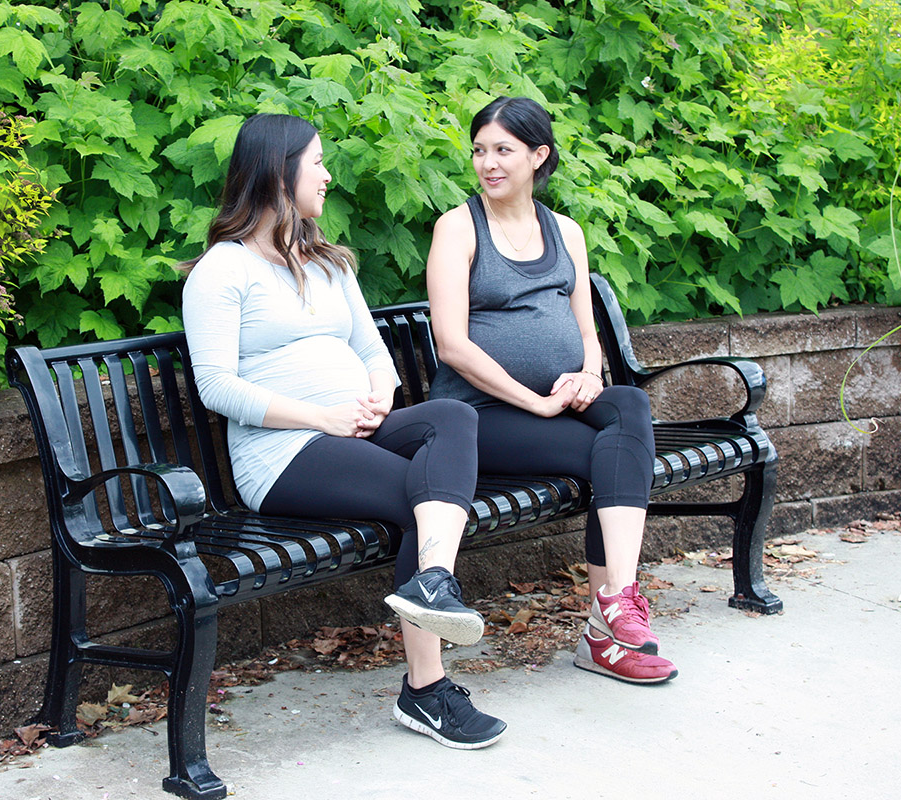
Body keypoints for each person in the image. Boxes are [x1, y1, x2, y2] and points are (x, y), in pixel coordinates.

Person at [180, 113, 507, 747]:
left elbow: (374, 353)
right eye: (317, 163)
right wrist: (322, 417)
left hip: (352, 431)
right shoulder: (223, 270)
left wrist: (378, 404)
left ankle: (432, 581)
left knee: (453, 415)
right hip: (283, 453)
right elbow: (217, 388)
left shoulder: (328, 263)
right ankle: (427, 691)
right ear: (280, 172)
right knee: (425, 495)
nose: (328, 176)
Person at [426, 96, 678, 685]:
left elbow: (587, 330)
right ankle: (605, 632)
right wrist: (536, 400)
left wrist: (591, 374)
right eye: (480, 150)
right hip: (482, 412)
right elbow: (452, 345)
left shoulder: (565, 230)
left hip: (561, 401)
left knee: (629, 405)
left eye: (503, 151)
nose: (488, 163)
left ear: (538, 156)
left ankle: (616, 597)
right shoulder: (457, 228)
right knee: (610, 456)